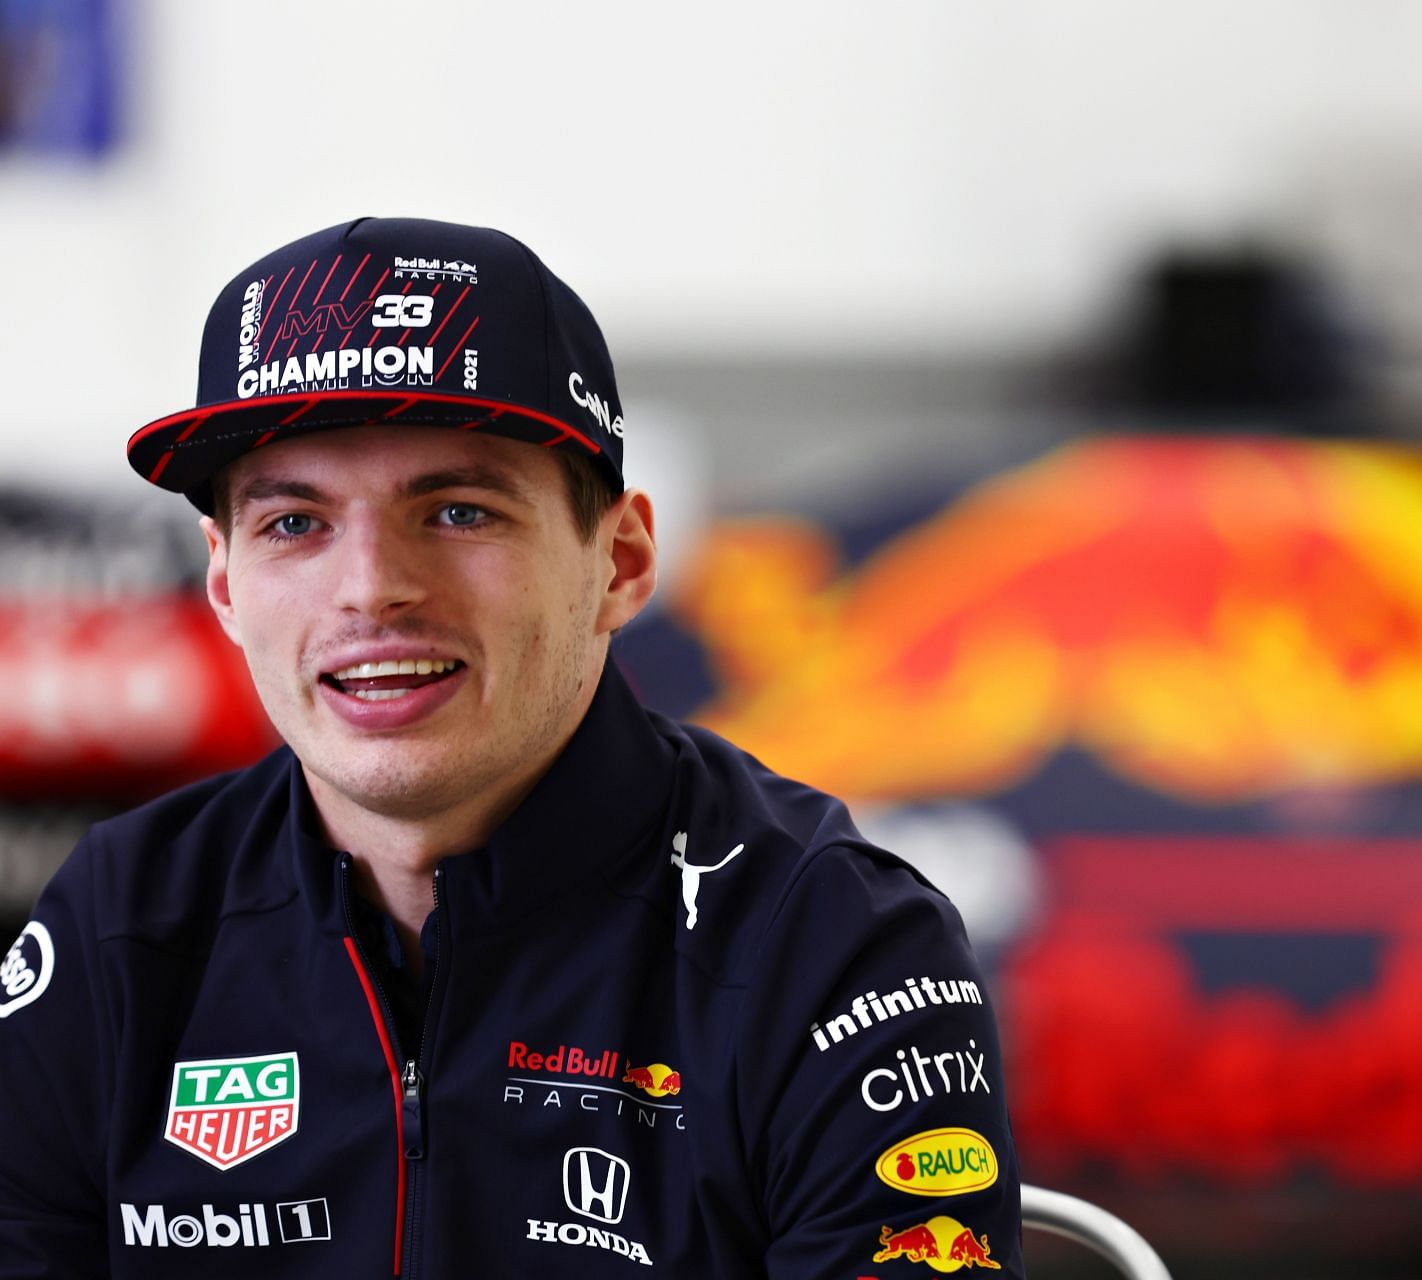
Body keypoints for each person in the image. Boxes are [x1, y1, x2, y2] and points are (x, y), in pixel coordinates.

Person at [0, 217, 1023, 1277]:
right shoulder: (120, 921)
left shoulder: (831, 945)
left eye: (455, 510)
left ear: (620, 561)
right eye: (294, 524)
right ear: (223, 581)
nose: (370, 587)